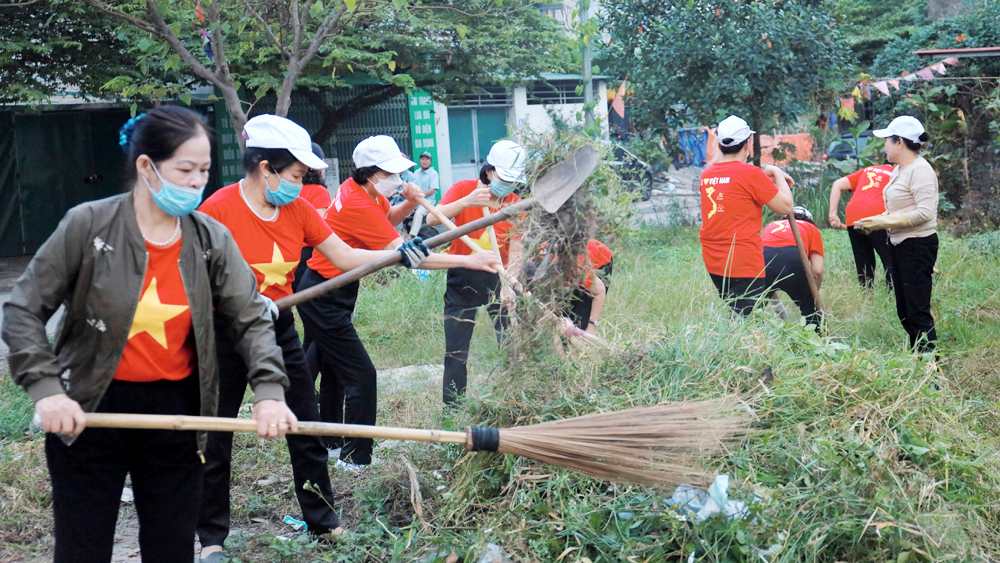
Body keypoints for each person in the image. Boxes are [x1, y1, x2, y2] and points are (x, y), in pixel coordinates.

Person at [1, 106, 297, 563]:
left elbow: (251, 318)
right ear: (146, 165)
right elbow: (23, 309)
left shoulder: (210, 238)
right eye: (185, 169)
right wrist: (47, 391)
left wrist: (270, 392)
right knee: (82, 548)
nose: (197, 182)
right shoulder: (88, 224)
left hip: (177, 413)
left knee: (171, 546)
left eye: (204, 170)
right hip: (89, 407)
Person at [195, 117, 436, 560]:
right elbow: (192, 276)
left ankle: (323, 522)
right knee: (217, 433)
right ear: (265, 168)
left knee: (305, 424)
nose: (300, 183)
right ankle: (211, 538)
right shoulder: (217, 210)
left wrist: (395, 255)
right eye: (295, 174)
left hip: (279, 325)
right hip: (224, 331)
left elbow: (342, 255)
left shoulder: (300, 209)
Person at [297, 135, 500, 467]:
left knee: (334, 370)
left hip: (334, 288)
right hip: (323, 294)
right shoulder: (358, 201)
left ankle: (330, 442)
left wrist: (409, 203)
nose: (398, 178)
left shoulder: (361, 190)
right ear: (370, 173)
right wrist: (468, 260)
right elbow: (409, 256)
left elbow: (387, 219)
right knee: (362, 375)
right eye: (391, 173)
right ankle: (355, 458)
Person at [426, 140, 526, 406]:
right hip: (463, 274)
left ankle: (512, 402)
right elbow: (432, 218)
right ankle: (453, 412)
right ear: (490, 171)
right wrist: (467, 201)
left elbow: (516, 252)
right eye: (504, 178)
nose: (508, 185)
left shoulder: (516, 204)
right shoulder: (464, 189)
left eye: (513, 180)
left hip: (500, 277)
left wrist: (508, 286)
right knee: (456, 353)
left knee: (510, 344)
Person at [855, 116, 939, 352]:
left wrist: (881, 221)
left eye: (887, 141)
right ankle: (919, 360)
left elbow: (924, 213)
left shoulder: (920, 170)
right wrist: (876, 221)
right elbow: (897, 210)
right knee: (904, 311)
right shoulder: (899, 170)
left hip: (917, 245)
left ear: (899, 142)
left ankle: (930, 365)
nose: (884, 146)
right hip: (899, 244)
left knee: (917, 310)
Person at [698, 115, 794, 316]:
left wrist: (763, 175)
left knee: (738, 314)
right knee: (750, 323)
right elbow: (786, 206)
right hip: (743, 262)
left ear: (720, 144)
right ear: (748, 143)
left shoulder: (707, 174)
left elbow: (735, 184)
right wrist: (777, 173)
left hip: (714, 262)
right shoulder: (751, 174)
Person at [829, 162, 895, 289]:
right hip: (877, 215)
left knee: (863, 261)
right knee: (891, 260)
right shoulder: (898, 173)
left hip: (854, 214)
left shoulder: (867, 170)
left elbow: (837, 184)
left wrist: (833, 215)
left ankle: (866, 295)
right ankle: (892, 294)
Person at [762, 206, 824, 327]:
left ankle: (753, 336)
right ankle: (815, 335)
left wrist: (777, 306)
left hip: (764, 258)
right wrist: (812, 298)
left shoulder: (771, 226)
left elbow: (771, 270)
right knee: (811, 313)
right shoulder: (811, 228)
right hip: (792, 258)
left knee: (752, 311)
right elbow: (817, 271)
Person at [291, 142, 332, 292]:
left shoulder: (290, 189)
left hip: (288, 251)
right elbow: (319, 229)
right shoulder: (319, 191)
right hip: (307, 253)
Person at [408, 151, 441, 239]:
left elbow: (433, 189)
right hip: (415, 201)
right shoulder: (416, 173)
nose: (424, 161)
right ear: (419, 160)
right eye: (422, 159)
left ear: (430, 161)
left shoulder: (433, 173)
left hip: (427, 202)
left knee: (418, 213)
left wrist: (421, 195)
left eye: (427, 159)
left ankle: (412, 236)